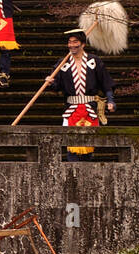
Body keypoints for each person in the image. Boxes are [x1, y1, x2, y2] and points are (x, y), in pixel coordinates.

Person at [42, 30, 116, 160]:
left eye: (75, 42)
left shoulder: (94, 61)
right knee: (71, 145)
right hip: (71, 109)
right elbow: (56, 86)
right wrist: (50, 83)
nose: (72, 45)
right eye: (70, 42)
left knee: (89, 145)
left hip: (90, 108)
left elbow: (106, 83)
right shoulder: (63, 63)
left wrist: (110, 100)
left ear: (83, 44)